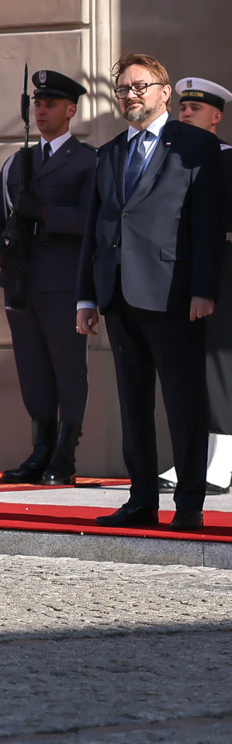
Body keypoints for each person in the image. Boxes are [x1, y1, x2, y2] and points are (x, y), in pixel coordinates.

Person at [75, 54, 222, 532]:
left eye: (140, 87)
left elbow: (206, 225)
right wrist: (86, 297)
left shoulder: (197, 147)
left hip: (174, 296)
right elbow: (95, 231)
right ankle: (141, 499)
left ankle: (189, 505)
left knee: (184, 402)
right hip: (118, 296)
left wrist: (204, 289)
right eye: (122, 89)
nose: (130, 95)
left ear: (164, 92)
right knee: (132, 403)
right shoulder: (109, 152)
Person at [0, 71, 96, 485]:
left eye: (50, 104)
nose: (41, 111)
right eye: (37, 104)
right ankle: (41, 448)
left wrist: (44, 213)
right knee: (33, 369)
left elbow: (93, 220)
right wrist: (0, 254)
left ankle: (66, 453)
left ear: (71, 111)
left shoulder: (87, 160)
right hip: (22, 277)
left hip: (63, 281)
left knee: (67, 368)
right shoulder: (17, 162)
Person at [160, 76, 232, 494]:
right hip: (177, 271)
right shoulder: (169, 156)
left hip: (222, 270)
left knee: (218, 364)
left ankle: (222, 459)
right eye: (183, 108)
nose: (186, 113)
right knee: (184, 367)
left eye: (196, 109)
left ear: (216, 117)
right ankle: (189, 456)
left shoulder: (225, 158)